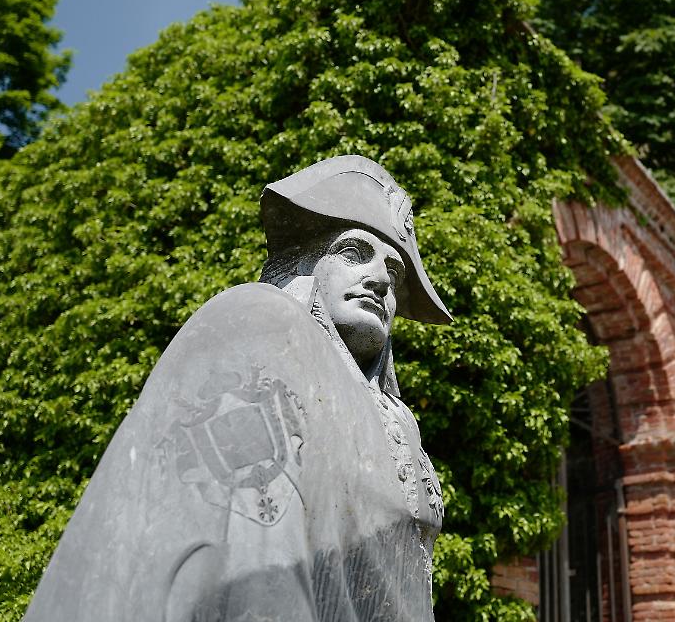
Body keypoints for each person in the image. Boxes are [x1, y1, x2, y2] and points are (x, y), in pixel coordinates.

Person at [25, 156, 452, 622]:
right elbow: (250, 540)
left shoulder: (394, 418)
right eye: (354, 254)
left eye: (393, 273)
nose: (379, 280)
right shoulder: (260, 325)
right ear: (311, 263)